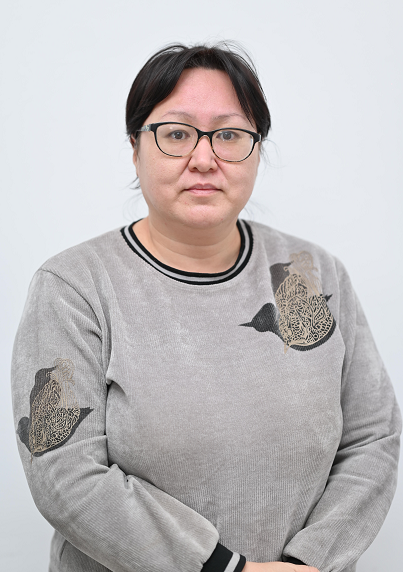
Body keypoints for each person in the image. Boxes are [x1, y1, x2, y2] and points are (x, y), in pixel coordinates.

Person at [11, 42, 401, 572]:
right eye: (176, 134)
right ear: (135, 147)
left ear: (257, 149)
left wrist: (309, 564)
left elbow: (373, 437)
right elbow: (64, 475)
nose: (203, 158)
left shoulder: (314, 273)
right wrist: (226, 568)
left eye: (229, 135)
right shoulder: (73, 287)